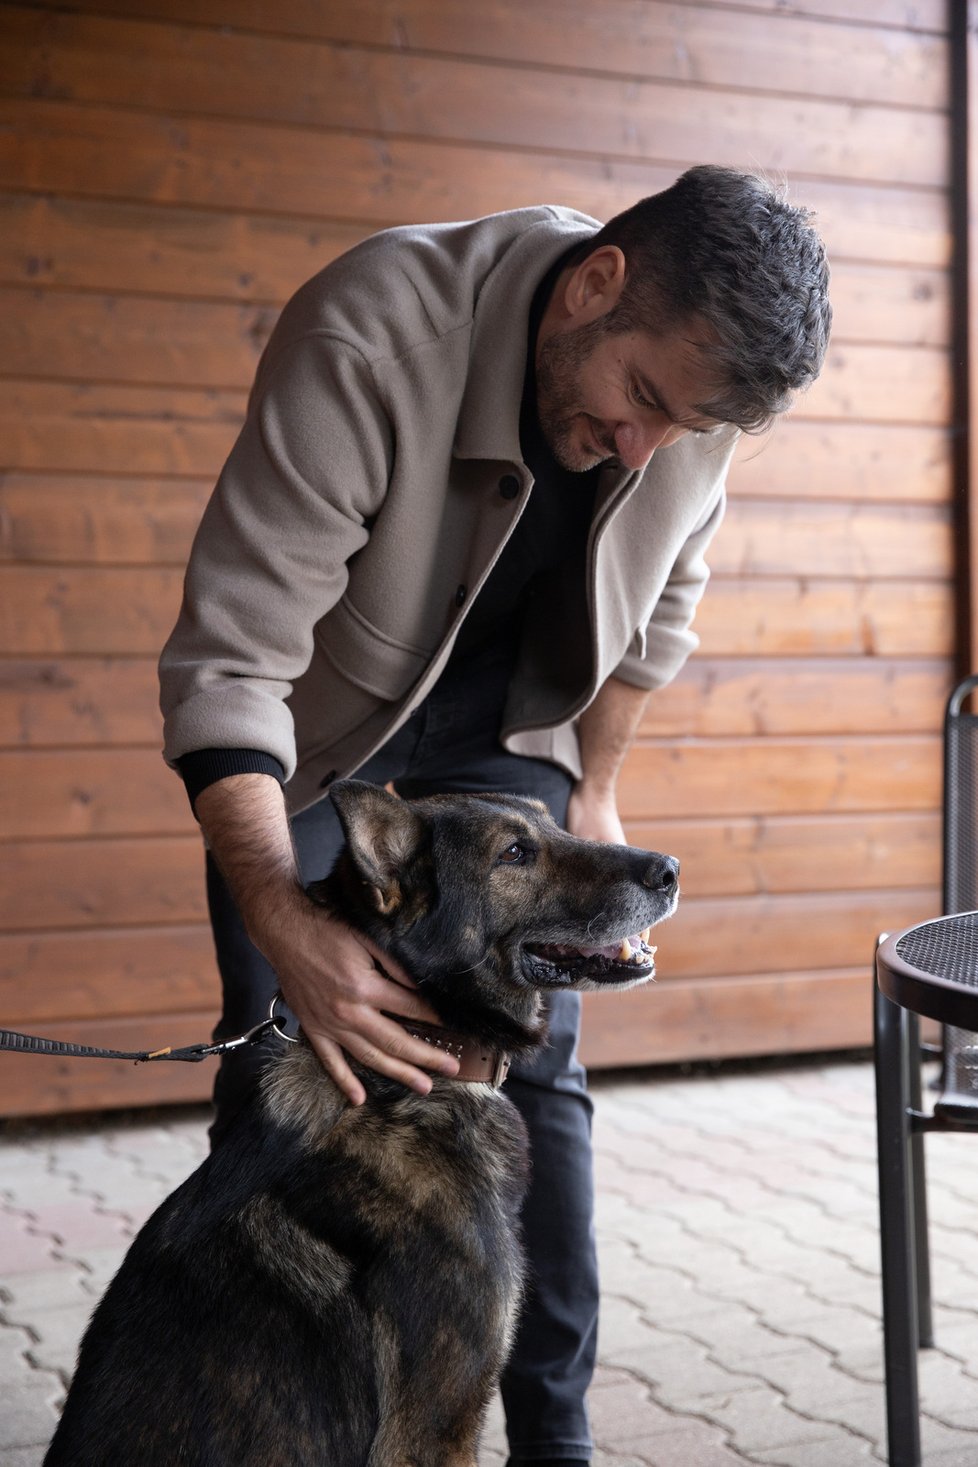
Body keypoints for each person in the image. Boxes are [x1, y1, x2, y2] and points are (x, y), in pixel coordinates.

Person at [159, 164, 831, 1467]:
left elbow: (660, 625)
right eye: (637, 399)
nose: (644, 449)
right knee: (289, 1073)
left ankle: (553, 1443)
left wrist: (593, 787)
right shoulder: (370, 329)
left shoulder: (694, 411)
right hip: (312, 750)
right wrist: (282, 915)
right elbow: (229, 667)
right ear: (595, 283)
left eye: (681, 429)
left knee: (536, 1088)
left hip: (509, 745)